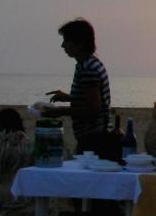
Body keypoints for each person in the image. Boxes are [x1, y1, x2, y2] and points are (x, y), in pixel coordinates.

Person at [46, 18, 113, 156]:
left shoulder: (88, 68)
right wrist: (69, 97)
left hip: (93, 138)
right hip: (93, 136)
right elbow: (90, 99)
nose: (63, 46)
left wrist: (60, 111)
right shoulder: (87, 64)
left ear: (79, 43)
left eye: (66, 41)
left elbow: (93, 109)